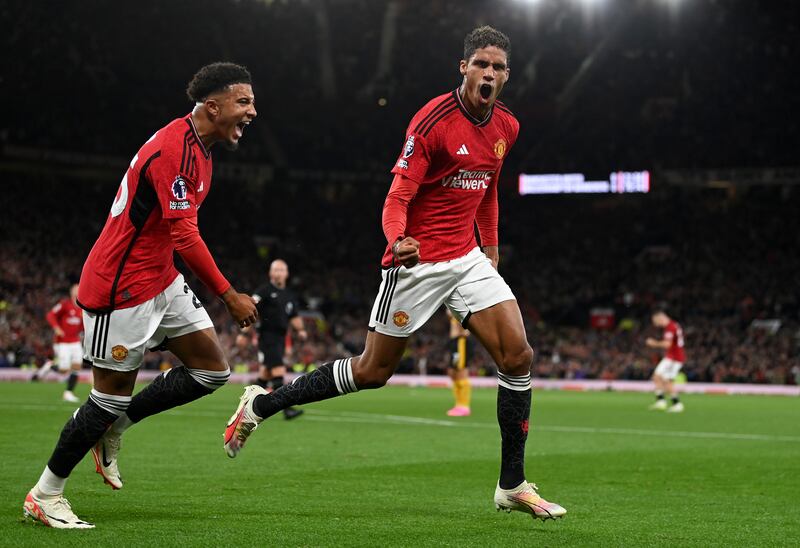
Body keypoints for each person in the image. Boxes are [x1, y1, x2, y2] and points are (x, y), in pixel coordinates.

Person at [224, 26, 566, 522]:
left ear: (507, 75)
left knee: (519, 355)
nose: (488, 73)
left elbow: (489, 190)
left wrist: (489, 248)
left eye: (497, 67)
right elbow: (398, 196)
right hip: (418, 260)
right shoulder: (432, 122)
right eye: (480, 64)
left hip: (467, 258)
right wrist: (396, 240)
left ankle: (511, 484)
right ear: (463, 68)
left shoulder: (507, 127)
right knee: (372, 372)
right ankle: (261, 405)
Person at [23, 62, 259, 529]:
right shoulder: (175, 151)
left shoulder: (201, 147)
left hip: (159, 275)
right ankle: (45, 495)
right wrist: (229, 295)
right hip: (121, 286)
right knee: (105, 399)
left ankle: (118, 426)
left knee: (211, 371)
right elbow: (187, 236)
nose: (253, 111)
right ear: (213, 106)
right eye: (244, 102)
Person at [251, 259, 307, 419]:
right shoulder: (264, 291)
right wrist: (243, 333)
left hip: (280, 338)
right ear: (270, 273)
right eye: (276, 270)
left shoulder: (289, 295)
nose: (279, 273)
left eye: (282, 270)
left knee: (265, 374)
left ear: (287, 273)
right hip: (267, 337)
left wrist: (301, 330)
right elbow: (250, 309)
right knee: (278, 371)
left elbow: (294, 315)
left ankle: (247, 404)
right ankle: (287, 409)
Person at [34, 284, 84, 402]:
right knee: (64, 370)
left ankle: (68, 393)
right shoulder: (64, 304)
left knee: (77, 366)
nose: (78, 291)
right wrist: (56, 327)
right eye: (76, 289)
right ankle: (50, 366)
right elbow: (50, 315)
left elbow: (82, 324)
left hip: (75, 341)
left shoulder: (83, 307)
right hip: (62, 342)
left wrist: (82, 333)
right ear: (72, 292)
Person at [646, 309, 686, 412]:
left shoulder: (670, 327)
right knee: (657, 376)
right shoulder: (673, 325)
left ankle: (677, 404)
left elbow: (667, 344)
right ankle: (661, 402)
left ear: (660, 318)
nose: (656, 324)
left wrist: (653, 343)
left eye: (655, 321)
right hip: (672, 357)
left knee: (667, 380)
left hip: (674, 358)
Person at [446, 308, 473, 417]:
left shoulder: (461, 307)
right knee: (454, 374)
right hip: (455, 341)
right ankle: (458, 404)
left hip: (461, 340)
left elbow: (465, 325)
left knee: (461, 372)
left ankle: (464, 406)